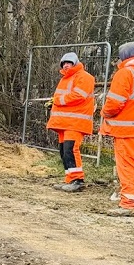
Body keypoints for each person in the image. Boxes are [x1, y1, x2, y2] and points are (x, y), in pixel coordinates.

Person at [46, 52, 96, 192]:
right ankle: (70, 179)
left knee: (71, 149)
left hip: (76, 122)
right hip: (65, 122)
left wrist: (56, 101)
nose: (66, 65)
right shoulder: (65, 79)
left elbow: (78, 96)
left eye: (69, 62)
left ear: (75, 63)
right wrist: (54, 103)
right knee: (64, 151)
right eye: (64, 63)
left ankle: (77, 180)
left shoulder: (85, 77)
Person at [100, 41, 134, 210]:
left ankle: (129, 202)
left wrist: (104, 113)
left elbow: (114, 104)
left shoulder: (126, 73)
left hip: (128, 130)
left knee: (128, 164)